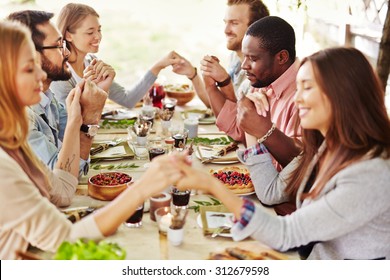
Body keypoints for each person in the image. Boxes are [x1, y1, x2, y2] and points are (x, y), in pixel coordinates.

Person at [171, 47, 390, 260]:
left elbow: (285, 235)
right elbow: (270, 193)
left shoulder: (369, 173)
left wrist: (211, 185)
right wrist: (251, 128)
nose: (297, 99)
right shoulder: (330, 148)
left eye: (307, 88)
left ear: (342, 93)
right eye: (298, 88)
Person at [0, 20, 181, 259]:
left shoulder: (13, 141)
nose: (42, 75)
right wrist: (143, 188)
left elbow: (62, 191)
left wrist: (79, 119)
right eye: (28, 68)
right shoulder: (4, 166)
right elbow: (66, 239)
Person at [8, 10, 107, 178]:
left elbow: (76, 162)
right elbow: (61, 179)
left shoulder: (48, 99)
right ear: (32, 55)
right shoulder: (20, 117)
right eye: (59, 46)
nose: (67, 53)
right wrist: (90, 117)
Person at [50, 3, 181, 108]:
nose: (98, 36)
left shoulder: (92, 63)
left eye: (99, 30)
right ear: (68, 35)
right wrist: (97, 92)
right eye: (90, 32)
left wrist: (158, 66)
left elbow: (127, 100)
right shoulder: (60, 74)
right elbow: (67, 124)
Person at [172, 0, 269, 109]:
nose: (226, 30)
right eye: (225, 22)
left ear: (255, 28)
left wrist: (224, 81)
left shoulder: (264, 72)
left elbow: (239, 119)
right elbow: (218, 105)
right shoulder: (235, 58)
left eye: (234, 23)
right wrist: (193, 75)